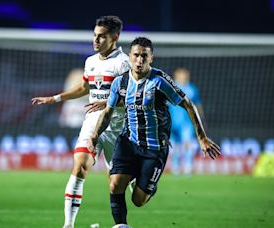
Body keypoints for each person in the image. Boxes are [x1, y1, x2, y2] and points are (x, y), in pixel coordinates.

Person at [87, 37, 221, 226]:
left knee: (138, 200)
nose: (139, 60)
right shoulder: (120, 82)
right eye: (136, 55)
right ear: (130, 57)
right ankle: (121, 225)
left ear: (151, 58)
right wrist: (94, 136)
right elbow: (108, 112)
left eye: (144, 56)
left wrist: (202, 137)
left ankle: (147, 185)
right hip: (128, 142)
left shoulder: (159, 81)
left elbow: (188, 104)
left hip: (154, 148)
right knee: (115, 184)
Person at [31, 16, 130, 228]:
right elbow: (84, 89)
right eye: (95, 35)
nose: (96, 40)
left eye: (101, 36)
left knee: (119, 186)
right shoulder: (91, 62)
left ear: (114, 37)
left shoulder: (123, 63)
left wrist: (106, 103)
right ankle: (68, 225)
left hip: (117, 127)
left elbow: (132, 95)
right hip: (92, 122)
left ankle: (129, 208)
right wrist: (54, 98)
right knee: (80, 166)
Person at [169, 67, 204, 175]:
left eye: (185, 74)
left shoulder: (192, 89)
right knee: (174, 146)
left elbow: (197, 105)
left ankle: (188, 166)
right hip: (172, 122)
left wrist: (200, 119)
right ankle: (175, 167)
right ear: (176, 76)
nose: (183, 77)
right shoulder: (170, 87)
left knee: (187, 144)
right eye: (181, 74)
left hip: (187, 123)